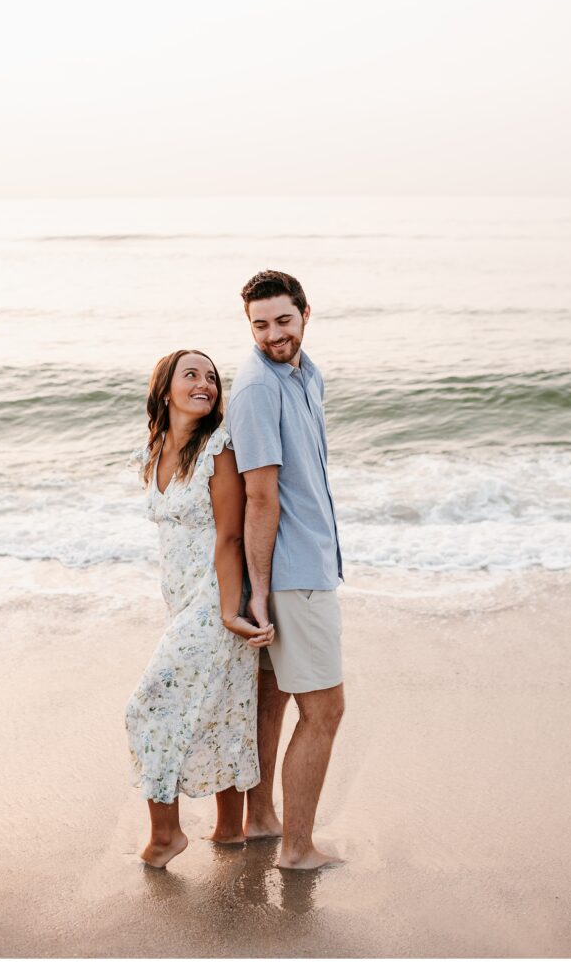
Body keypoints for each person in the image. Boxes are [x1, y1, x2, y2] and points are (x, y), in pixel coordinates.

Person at [125, 349, 275, 868]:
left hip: (215, 601)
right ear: (165, 388)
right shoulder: (158, 447)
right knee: (224, 710)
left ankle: (167, 836)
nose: (205, 384)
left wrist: (232, 609)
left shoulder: (219, 449)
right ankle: (229, 831)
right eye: (192, 374)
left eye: (212, 377)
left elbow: (230, 536)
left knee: (147, 707)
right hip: (182, 600)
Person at [225, 271, 345, 870]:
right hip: (292, 575)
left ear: (304, 313)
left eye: (283, 320)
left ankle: (262, 819)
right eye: (260, 325)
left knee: (271, 697)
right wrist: (262, 593)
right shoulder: (255, 390)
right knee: (325, 709)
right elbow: (261, 496)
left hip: (300, 563)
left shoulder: (306, 372)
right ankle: (298, 850)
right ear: (249, 325)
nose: (273, 334)